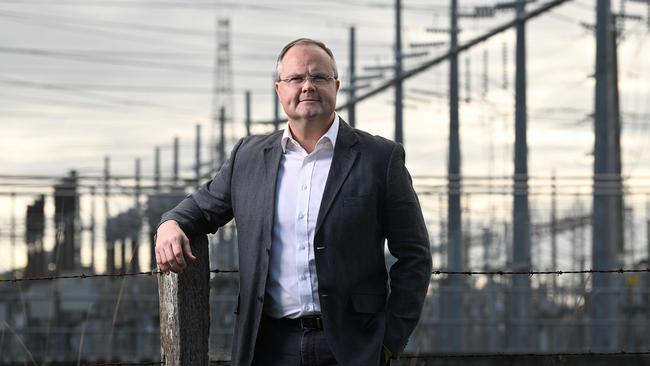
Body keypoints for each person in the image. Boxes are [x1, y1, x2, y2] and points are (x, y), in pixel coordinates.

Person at [155, 38, 432, 366]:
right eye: (296, 78)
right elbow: (202, 207)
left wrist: (389, 340)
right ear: (279, 90)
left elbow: (414, 256)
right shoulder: (249, 157)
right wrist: (170, 224)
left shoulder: (379, 159)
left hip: (352, 346)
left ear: (337, 86)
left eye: (319, 77)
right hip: (270, 345)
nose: (308, 86)